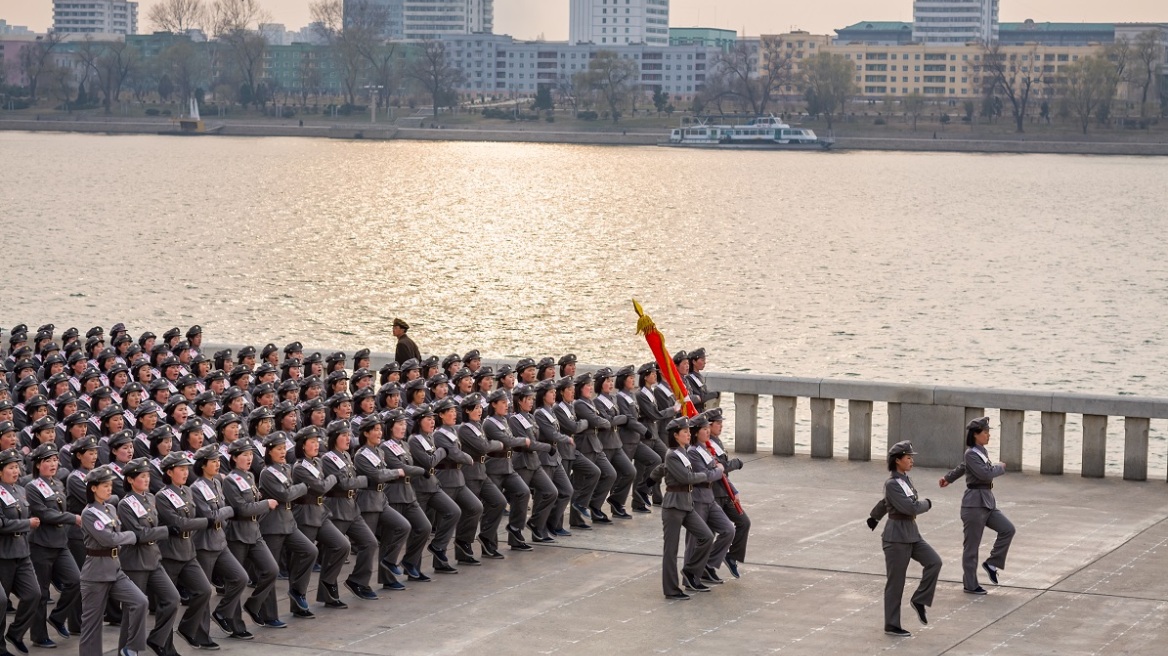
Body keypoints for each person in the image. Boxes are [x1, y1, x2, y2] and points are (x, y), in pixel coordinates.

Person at [79, 465, 149, 656]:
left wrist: (122, 537)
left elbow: (115, 536)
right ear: (93, 488)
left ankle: (130, 647)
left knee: (140, 601)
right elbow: (108, 539)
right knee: (92, 626)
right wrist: (132, 536)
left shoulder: (110, 507)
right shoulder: (89, 513)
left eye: (110, 485)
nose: (109, 489)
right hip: (96, 572)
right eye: (104, 486)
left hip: (115, 569)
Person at [940, 416, 1015, 595]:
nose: (988, 435)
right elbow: (983, 474)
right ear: (976, 434)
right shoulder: (971, 453)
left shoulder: (980, 452)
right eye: (985, 432)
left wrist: (948, 478)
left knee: (1007, 529)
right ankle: (970, 584)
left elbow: (962, 468)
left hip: (987, 502)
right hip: (974, 504)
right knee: (971, 548)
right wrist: (1001, 467)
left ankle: (992, 563)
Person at [117, 457, 181, 656]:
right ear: (130, 479)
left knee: (172, 598)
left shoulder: (150, 498)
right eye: (142, 476)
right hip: (135, 562)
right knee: (133, 609)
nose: (146, 479)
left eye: (147, 476)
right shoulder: (125, 504)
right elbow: (139, 534)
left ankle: (157, 639)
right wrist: (166, 531)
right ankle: (126, 649)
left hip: (154, 558)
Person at [877, 441, 941, 637]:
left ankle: (919, 599)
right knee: (896, 583)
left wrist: (873, 516)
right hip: (896, 537)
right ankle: (892, 624)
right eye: (908, 458)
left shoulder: (905, 480)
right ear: (898, 461)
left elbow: (896, 504)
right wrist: (927, 504)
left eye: (912, 457)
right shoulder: (892, 484)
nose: (911, 460)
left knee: (934, 562)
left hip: (912, 534)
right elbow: (911, 507)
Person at [650, 417, 718, 600]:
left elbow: (663, 469)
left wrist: (650, 479)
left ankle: (690, 571)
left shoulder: (684, 452)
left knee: (706, 536)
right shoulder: (672, 454)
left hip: (686, 504)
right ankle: (671, 590)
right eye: (685, 432)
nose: (689, 434)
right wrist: (707, 475)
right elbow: (686, 477)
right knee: (670, 550)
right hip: (673, 506)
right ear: (675, 435)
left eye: (689, 431)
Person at [188, 444, 251, 642]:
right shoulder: (196, 488)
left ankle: (223, 612)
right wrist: (230, 511)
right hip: (204, 544)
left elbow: (219, 514)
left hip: (220, 540)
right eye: (213, 462)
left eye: (217, 461)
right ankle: (200, 633)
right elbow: (211, 516)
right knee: (204, 591)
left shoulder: (216, 483)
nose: (217, 464)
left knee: (240, 577)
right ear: (202, 465)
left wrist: (224, 514)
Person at [154, 451, 216, 650]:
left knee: (204, 590)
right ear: (170, 472)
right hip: (170, 553)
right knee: (168, 603)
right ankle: (163, 643)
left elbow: (190, 519)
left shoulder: (187, 491)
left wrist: (198, 522)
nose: (185, 472)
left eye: (186, 469)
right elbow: (178, 523)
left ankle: (188, 628)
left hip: (188, 551)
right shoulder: (162, 496)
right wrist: (206, 522)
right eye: (181, 469)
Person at [221, 439, 283, 630]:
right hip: (238, 533)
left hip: (254, 531)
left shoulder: (249, 476)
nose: (249, 458)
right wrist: (266, 504)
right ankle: (233, 622)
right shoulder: (231, 480)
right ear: (234, 458)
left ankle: (255, 605)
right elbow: (241, 509)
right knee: (236, 580)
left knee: (271, 570)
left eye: (250, 455)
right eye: (244, 455)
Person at [256, 432, 318, 621]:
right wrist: (304, 486)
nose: (283, 452)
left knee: (310, 551)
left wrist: (296, 489)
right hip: (272, 525)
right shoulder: (267, 473)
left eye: (284, 448)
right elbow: (285, 495)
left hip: (289, 521)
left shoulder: (285, 468)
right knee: (270, 571)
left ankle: (297, 593)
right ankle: (268, 615)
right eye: (278, 449)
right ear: (269, 451)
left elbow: (290, 492)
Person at [25, 443, 80, 649]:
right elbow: (44, 513)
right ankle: (39, 636)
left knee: (75, 581)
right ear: (38, 465)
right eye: (47, 461)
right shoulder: (32, 487)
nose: (53, 464)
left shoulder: (57, 484)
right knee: (41, 593)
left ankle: (57, 617)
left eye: (55, 460)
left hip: (60, 543)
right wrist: (71, 518)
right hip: (41, 545)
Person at [288, 427, 350, 608]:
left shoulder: (316, 463)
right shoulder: (300, 467)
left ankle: (328, 584)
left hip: (320, 512)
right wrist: (333, 478)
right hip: (305, 513)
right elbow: (322, 487)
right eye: (312, 442)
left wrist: (328, 480)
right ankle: (298, 597)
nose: (317, 445)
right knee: (303, 558)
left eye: (318, 442)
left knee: (342, 545)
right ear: (302, 445)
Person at [319, 421, 380, 602]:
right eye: (343, 435)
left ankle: (358, 580)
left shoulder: (345, 455)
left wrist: (357, 481)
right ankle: (327, 592)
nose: (348, 439)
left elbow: (349, 480)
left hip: (352, 506)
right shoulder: (328, 458)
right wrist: (363, 480)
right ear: (333, 438)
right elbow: (344, 483)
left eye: (348, 435)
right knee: (335, 551)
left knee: (370, 543)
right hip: (336, 507)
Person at [351, 419, 411, 590]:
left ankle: (388, 563)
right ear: (366, 433)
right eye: (375, 430)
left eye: (379, 429)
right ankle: (359, 582)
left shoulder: (379, 451)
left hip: (381, 498)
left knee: (403, 526)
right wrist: (396, 472)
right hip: (368, 501)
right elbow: (377, 475)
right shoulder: (361, 454)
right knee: (368, 545)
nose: (379, 433)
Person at [0, 447, 43, 654]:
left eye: (17, 467)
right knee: (1, 602)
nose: (16, 471)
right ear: (0, 472)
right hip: (4, 553)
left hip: (22, 552)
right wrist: (26, 523)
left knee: (34, 594)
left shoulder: (19, 489)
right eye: (10, 467)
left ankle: (16, 632)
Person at [482, 390, 533, 551]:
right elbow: (507, 440)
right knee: (494, 505)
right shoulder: (489, 423)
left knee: (523, 492)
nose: (507, 405)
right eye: (503, 402)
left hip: (508, 466)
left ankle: (515, 530)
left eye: (507, 402)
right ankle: (488, 542)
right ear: (494, 404)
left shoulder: (504, 420)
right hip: (495, 467)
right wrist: (523, 441)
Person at [705, 408, 749, 579]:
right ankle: (707, 564)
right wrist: (735, 463)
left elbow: (723, 473)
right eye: (718, 423)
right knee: (718, 531)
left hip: (726, 491)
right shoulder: (707, 445)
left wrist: (734, 490)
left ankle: (731, 556)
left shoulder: (718, 442)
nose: (721, 426)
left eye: (721, 423)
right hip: (714, 493)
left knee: (744, 522)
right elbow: (718, 468)